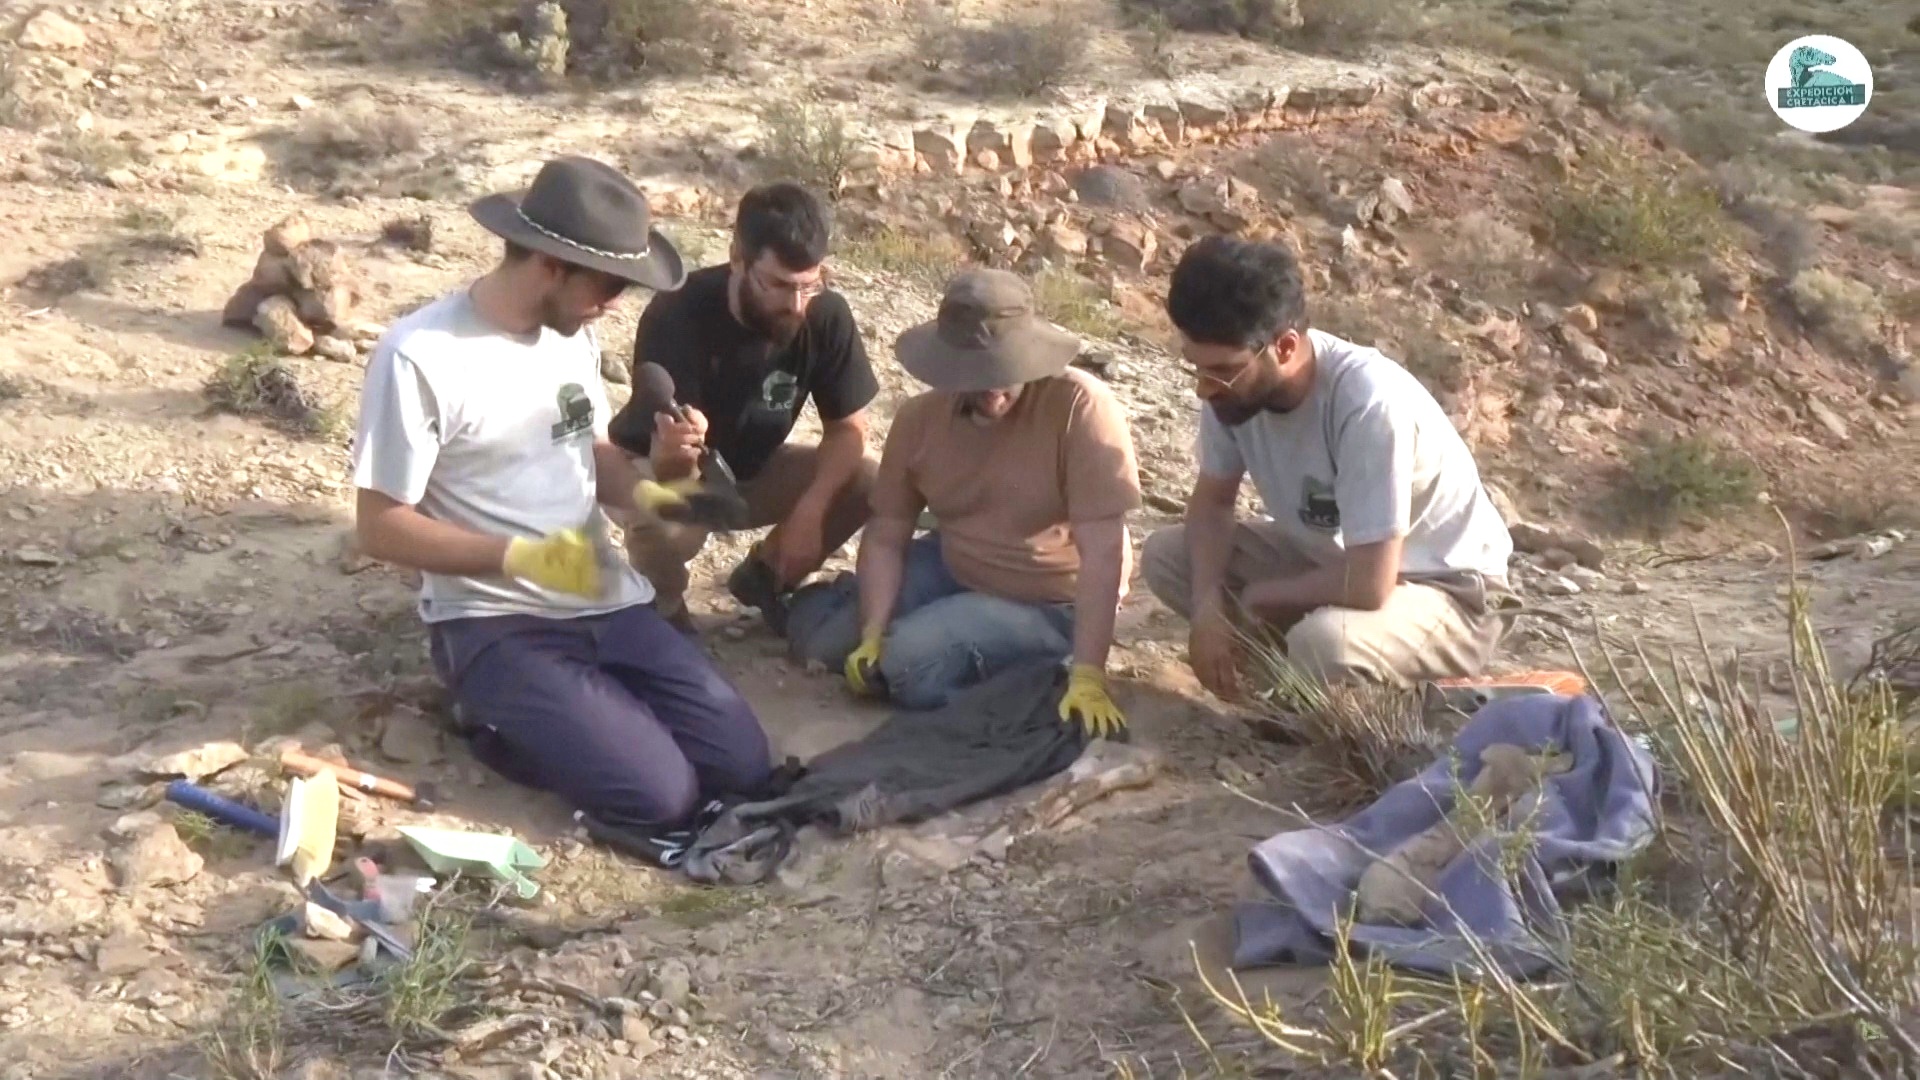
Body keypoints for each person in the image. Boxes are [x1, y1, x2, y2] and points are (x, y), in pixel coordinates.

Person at [350, 155, 773, 860]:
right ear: (550, 263)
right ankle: (490, 713)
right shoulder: (420, 356)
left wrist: (658, 482)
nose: (615, 303)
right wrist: (515, 556)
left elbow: (590, 455)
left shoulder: (571, 336)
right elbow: (380, 525)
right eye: (609, 284)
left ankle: (588, 715)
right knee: (661, 799)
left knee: (743, 768)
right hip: (497, 621)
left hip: (606, 601)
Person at [1141, 235, 1517, 698]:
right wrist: (1206, 607)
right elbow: (1214, 503)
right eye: (1197, 367)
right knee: (1169, 558)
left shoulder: (1367, 403)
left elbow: (1369, 584)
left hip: (1447, 590)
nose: (1205, 387)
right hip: (1338, 560)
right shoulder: (1230, 389)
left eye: (1221, 370)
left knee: (1323, 644)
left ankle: (1347, 683)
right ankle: (1289, 679)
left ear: (1283, 347)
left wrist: (1262, 598)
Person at [799, 268, 1140, 736]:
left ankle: (1042, 669)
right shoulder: (920, 419)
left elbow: (1105, 550)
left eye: (1005, 371)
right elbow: (887, 532)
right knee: (827, 645)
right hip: (955, 563)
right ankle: (894, 623)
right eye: (977, 376)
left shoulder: (1078, 407)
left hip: (1050, 597)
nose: (993, 389)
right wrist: (873, 628)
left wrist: (1089, 673)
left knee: (906, 668)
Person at [608, 182, 879, 634]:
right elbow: (672, 467)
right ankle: (664, 611)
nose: (795, 305)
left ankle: (766, 577)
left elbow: (848, 430)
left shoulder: (824, 315)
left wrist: (811, 513)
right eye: (777, 285)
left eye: (808, 286)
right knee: (668, 518)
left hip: (750, 469)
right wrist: (680, 448)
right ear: (737, 258)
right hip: (660, 466)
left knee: (865, 479)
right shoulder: (678, 311)